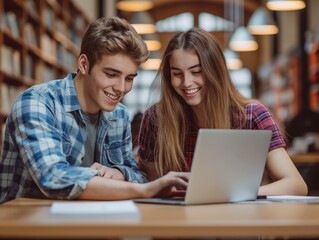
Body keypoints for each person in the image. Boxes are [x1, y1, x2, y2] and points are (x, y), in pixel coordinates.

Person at [0, 17, 189, 204]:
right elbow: (53, 177)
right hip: (26, 226)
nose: (121, 88)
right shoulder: (36, 103)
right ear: (84, 64)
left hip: (89, 224)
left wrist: (121, 174)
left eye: (129, 78)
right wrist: (144, 190)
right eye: (111, 74)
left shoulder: (119, 115)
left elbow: (137, 174)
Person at [138, 28, 308, 196]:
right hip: (177, 218)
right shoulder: (156, 118)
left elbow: (296, 184)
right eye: (177, 74)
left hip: (236, 217)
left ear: (216, 71)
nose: (186, 82)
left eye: (196, 71)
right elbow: (149, 185)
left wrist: (237, 193)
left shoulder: (252, 115)